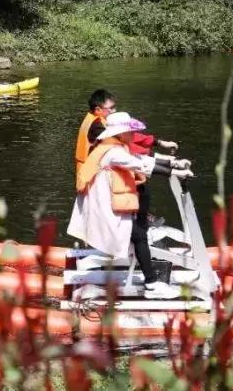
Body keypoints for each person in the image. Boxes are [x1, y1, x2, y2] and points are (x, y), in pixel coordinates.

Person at [67, 112, 194, 299]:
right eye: (130, 131)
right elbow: (139, 165)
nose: (133, 134)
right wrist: (175, 172)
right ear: (120, 133)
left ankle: (147, 277)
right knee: (140, 236)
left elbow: (142, 159)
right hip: (103, 209)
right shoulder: (112, 152)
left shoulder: (115, 147)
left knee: (139, 237)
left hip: (106, 207)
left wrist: (174, 163)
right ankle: (152, 285)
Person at [75, 89, 181, 227]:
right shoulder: (97, 128)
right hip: (94, 176)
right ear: (98, 110)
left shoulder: (100, 121)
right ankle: (140, 220)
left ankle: (141, 219)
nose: (114, 111)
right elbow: (131, 150)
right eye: (111, 108)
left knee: (138, 185)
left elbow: (131, 137)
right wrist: (165, 160)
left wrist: (158, 142)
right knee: (139, 187)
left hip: (98, 170)